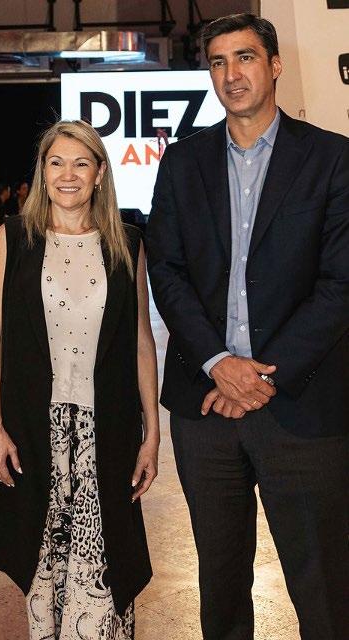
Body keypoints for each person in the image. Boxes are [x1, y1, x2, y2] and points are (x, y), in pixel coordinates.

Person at [147, 13, 349, 640]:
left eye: (245, 57)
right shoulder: (182, 162)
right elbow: (167, 271)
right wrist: (219, 363)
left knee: (324, 590)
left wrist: (261, 377)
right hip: (205, 407)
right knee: (221, 587)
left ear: (275, 65)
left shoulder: (332, 158)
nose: (231, 74)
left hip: (300, 406)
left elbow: (340, 283)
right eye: (218, 62)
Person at [0, 120, 158, 639]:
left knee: (105, 570)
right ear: (42, 172)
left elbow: (141, 342)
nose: (68, 174)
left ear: (99, 173)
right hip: (36, 432)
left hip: (106, 432)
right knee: (42, 570)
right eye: (56, 163)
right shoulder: (14, 238)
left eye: (81, 163)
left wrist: (152, 434)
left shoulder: (127, 244)